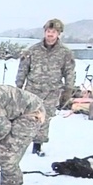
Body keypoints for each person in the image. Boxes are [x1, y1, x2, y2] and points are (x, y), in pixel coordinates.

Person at [15, 18, 76, 157]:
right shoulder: (32, 50)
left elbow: (69, 71)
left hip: (52, 91)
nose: (50, 34)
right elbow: (22, 69)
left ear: (58, 33)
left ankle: (38, 145)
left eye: (53, 32)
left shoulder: (65, 53)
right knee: (27, 117)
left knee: (45, 118)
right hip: (32, 89)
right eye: (48, 31)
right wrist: (18, 87)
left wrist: (68, 89)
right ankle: (22, 142)